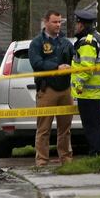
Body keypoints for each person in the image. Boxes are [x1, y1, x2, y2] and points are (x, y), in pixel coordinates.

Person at [28, 10, 75, 166]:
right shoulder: (37, 43)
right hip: (47, 89)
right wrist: (56, 67)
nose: (58, 25)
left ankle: (66, 160)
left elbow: (74, 60)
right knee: (43, 129)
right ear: (46, 22)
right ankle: (41, 161)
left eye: (60, 22)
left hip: (65, 89)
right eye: (55, 22)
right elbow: (36, 63)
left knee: (65, 128)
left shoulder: (66, 42)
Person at [72, 9, 100, 156]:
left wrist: (79, 85)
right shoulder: (99, 37)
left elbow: (87, 68)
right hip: (98, 92)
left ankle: (96, 154)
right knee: (97, 125)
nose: (76, 26)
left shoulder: (87, 42)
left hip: (88, 93)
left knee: (91, 127)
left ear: (82, 25)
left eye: (77, 23)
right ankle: (98, 152)